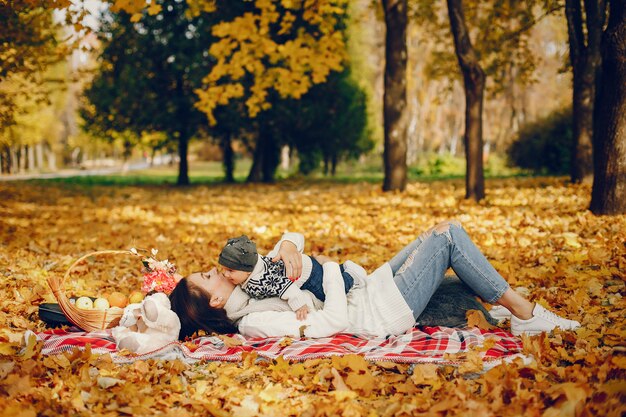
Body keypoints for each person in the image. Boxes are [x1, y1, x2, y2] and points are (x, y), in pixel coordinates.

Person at [169, 221, 581, 339]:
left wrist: (289, 245)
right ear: (215, 302)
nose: (215, 269)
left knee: (433, 234)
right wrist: (330, 272)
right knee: (449, 236)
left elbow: (285, 247)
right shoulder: (256, 320)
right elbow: (333, 323)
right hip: (379, 311)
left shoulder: (248, 281)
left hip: (372, 287)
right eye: (208, 276)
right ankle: (525, 313)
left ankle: (505, 304)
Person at [217, 234, 367, 320]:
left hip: (308, 275)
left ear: (247, 271)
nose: (225, 274)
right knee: (328, 280)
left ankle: (351, 275)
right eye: (223, 269)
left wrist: (299, 305)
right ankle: (340, 269)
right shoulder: (252, 267)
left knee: (329, 292)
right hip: (304, 266)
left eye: (230, 270)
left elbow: (286, 287)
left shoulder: (259, 280)